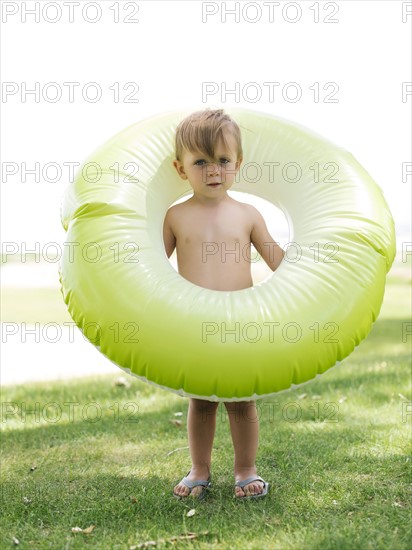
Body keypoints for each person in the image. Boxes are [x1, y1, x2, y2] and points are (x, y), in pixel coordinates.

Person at [163, 109, 284, 500]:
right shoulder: (175, 216)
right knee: (201, 402)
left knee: (240, 401)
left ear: (238, 164)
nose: (213, 170)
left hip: (240, 322)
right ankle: (199, 470)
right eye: (201, 161)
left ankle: (246, 470)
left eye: (222, 160)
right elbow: (149, 271)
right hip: (194, 324)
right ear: (181, 169)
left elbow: (277, 261)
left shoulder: (247, 214)